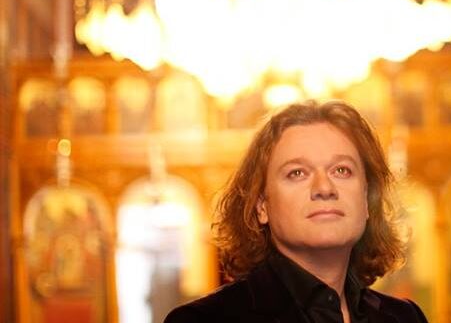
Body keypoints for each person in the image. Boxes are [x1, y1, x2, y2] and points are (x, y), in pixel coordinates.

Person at [164, 100, 428, 323]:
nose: (324, 188)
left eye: (341, 170)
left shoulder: (405, 317)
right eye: (297, 173)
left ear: (366, 200)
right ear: (262, 206)